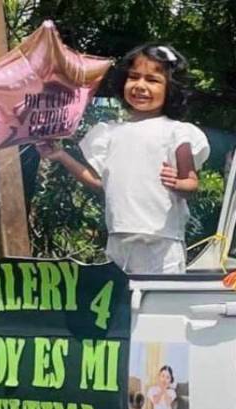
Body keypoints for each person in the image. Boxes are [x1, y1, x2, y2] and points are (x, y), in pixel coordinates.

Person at [39, 43, 210, 274]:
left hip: (161, 241)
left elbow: (191, 184)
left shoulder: (176, 132)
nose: (140, 86)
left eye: (152, 80)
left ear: (172, 88)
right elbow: (101, 184)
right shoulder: (109, 132)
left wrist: (178, 184)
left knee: (156, 304)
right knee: (121, 305)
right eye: (134, 77)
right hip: (118, 238)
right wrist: (61, 156)